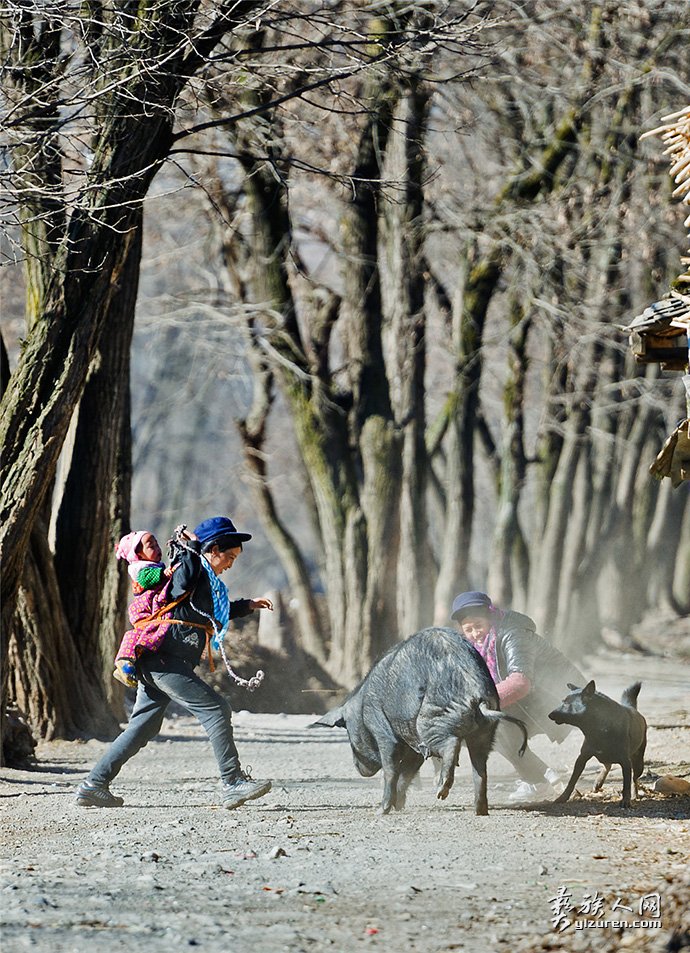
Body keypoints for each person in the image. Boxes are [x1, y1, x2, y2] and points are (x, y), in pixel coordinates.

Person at [76, 516, 274, 811]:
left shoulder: (203, 578)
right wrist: (192, 548)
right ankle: (232, 783)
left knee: (143, 726)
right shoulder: (188, 568)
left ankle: (94, 785)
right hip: (163, 660)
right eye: (230, 556)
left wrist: (246, 606)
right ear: (214, 548)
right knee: (216, 708)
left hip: (163, 661)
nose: (232, 563)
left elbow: (205, 614)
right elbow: (181, 585)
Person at [450, 590, 586, 802]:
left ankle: (537, 782)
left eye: (478, 625)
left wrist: (477, 707)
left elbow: (520, 684)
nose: (475, 633)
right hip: (530, 701)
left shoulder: (513, 633)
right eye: (468, 629)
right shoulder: (476, 646)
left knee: (491, 724)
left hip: (564, 700)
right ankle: (541, 775)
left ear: (490, 616)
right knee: (478, 725)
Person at [112, 530, 177, 688]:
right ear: (139, 555)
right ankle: (124, 661)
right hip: (145, 608)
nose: (157, 548)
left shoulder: (154, 565)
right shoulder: (140, 569)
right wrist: (164, 573)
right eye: (151, 546)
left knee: (149, 633)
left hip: (155, 607)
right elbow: (146, 579)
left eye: (156, 544)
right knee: (140, 632)